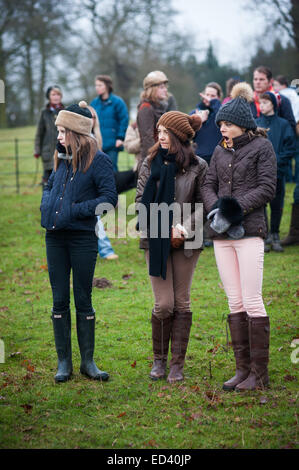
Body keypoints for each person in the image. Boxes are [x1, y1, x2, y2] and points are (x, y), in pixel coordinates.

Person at [202, 82, 277, 391]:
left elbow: (267, 188)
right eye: (220, 123)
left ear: (242, 125)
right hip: (222, 235)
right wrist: (216, 210)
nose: (222, 128)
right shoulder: (219, 151)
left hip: (251, 231)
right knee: (234, 299)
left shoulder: (262, 148)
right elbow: (207, 184)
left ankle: (259, 376)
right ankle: (242, 370)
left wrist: (234, 210)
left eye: (227, 124)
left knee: (252, 299)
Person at [40, 102, 118, 383]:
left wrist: (75, 211)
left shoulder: (99, 160)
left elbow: (109, 200)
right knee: (59, 300)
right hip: (55, 239)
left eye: (63, 131)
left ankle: (88, 363)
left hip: (83, 239)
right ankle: (64, 363)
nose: (59, 136)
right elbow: (49, 185)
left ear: (77, 131)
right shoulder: (60, 155)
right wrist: (46, 206)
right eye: (59, 130)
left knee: (83, 300)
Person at [136, 111, 208, 383]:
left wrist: (183, 228)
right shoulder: (149, 162)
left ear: (178, 136)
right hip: (154, 238)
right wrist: (160, 227)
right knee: (163, 304)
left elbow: (205, 203)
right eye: (159, 131)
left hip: (188, 241)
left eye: (166, 132)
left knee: (182, 302)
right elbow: (141, 199)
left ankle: (177, 364)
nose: (160, 136)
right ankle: (159, 361)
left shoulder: (199, 165)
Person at [256, 92, 296, 252]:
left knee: (277, 204)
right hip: (260, 173)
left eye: (265, 102)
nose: (262, 105)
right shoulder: (256, 123)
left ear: (273, 104)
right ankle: (264, 236)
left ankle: (275, 235)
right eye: (261, 102)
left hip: (278, 172)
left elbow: (290, 147)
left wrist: (276, 161)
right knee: (261, 204)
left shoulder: (284, 124)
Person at [90, 74, 129, 172]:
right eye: (96, 85)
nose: (97, 88)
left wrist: (120, 138)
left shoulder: (118, 102)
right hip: (97, 143)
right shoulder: (94, 103)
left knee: (111, 170)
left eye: (100, 85)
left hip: (112, 144)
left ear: (107, 86)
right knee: (96, 170)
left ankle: (114, 188)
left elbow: (124, 120)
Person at [137, 71, 169, 168]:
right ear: (152, 89)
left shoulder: (157, 107)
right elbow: (147, 138)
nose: (165, 90)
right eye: (161, 87)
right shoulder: (146, 108)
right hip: (151, 160)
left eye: (165, 87)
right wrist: (154, 160)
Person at [251, 66, 296, 134]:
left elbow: (291, 128)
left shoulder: (281, 100)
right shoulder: (249, 101)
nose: (258, 82)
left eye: (261, 79)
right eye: (255, 79)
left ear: (270, 81)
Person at [34, 85, 64, 187]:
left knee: (61, 180)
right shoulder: (44, 113)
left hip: (63, 151)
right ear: (49, 96)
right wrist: (37, 150)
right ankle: (46, 202)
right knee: (47, 182)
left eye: (58, 94)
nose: (56, 97)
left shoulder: (65, 111)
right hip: (48, 153)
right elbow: (39, 133)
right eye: (53, 94)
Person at [189, 82, 223, 166]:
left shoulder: (221, 113)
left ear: (218, 98)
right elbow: (188, 135)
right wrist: (198, 121)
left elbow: (223, 113)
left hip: (218, 158)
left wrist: (213, 102)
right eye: (207, 95)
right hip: (199, 158)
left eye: (212, 96)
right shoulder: (194, 113)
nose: (208, 98)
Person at [273, 75, 299, 183]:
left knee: (285, 152)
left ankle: (288, 178)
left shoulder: (283, 96)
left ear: (283, 85)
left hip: (287, 126)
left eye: (276, 85)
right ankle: (296, 178)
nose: (274, 88)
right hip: (294, 125)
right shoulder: (295, 94)